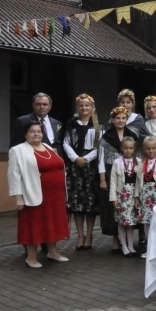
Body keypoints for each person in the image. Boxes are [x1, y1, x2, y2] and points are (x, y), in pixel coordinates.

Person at [7, 120, 70, 268]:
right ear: (25, 134)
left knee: (52, 223)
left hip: (54, 196)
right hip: (33, 193)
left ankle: (52, 252)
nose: (36, 134)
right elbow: (13, 175)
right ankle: (31, 257)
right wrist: (18, 196)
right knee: (33, 225)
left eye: (39, 131)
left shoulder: (48, 147)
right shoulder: (17, 150)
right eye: (32, 131)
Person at [61, 93, 102, 251]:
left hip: (90, 166)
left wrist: (86, 159)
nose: (84, 108)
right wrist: (75, 158)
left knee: (90, 202)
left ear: (92, 108)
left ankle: (90, 234)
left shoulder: (98, 126)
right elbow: (65, 143)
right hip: (75, 165)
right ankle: (80, 235)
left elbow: (99, 146)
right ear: (78, 108)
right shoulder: (71, 124)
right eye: (81, 105)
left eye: (87, 105)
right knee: (77, 202)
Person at [99, 107, 141, 254]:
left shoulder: (132, 135)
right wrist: (102, 178)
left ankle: (129, 245)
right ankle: (117, 242)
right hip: (113, 173)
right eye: (117, 118)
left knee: (129, 217)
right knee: (115, 212)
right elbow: (100, 159)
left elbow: (138, 159)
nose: (121, 120)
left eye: (123, 118)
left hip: (130, 182)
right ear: (112, 120)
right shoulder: (106, 136)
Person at [109, 136, 140, 257]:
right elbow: (113, 181)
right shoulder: (117, 162)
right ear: (121, 148)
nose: (128, 150)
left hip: (133, 194)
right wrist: (113, 198)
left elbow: (139, 181)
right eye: (126, 148)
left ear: (134, 149)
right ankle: (124, 246)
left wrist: (137, 197)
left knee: (131, 222)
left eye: (131, 148)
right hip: (121, 195)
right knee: (122, 222)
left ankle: (131, 245)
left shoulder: (138, 161)